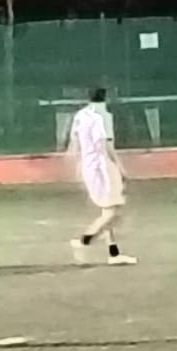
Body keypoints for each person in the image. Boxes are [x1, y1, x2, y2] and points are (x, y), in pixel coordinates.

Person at [68, 87, 136, 266]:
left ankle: (114, 253)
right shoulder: (102, 117)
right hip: (102, 167)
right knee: (113, 213)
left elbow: (74, 142)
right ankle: (84, 241)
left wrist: (79, 165)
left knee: (107, 211)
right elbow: (105, 146)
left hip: (88, 166)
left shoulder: (81, 115)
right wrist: (120, 168)